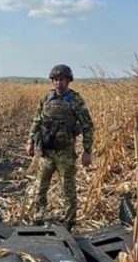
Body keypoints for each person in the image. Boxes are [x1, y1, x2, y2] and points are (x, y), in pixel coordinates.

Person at [26, 64, 94, 230]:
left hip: (65, 154)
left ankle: (69, 221)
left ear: (68, 81)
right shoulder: (47, 99)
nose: (58, 83)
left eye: (62, 79)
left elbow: (88, 126)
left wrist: (87, 151)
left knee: (68, 189)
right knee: (40, 188)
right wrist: (30, 142)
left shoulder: (75, 100)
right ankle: (39, 218)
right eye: (56, 80)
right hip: (47, 153)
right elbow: (37, 121)